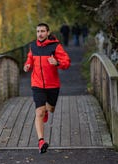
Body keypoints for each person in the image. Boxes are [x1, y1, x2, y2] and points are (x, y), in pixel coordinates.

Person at [24, 23, 71, 154]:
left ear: (48, 32)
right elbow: (29, 59)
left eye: (43, 31)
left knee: (50, 108)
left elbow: (66, 62)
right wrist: (27, 65)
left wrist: (57, 63)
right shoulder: (33, 46)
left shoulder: (55, 46)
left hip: (52, 85)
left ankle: (47, 112)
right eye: (38, 31)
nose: (40, 34)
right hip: (37, 84)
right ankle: (41, 141)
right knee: (39, 111)